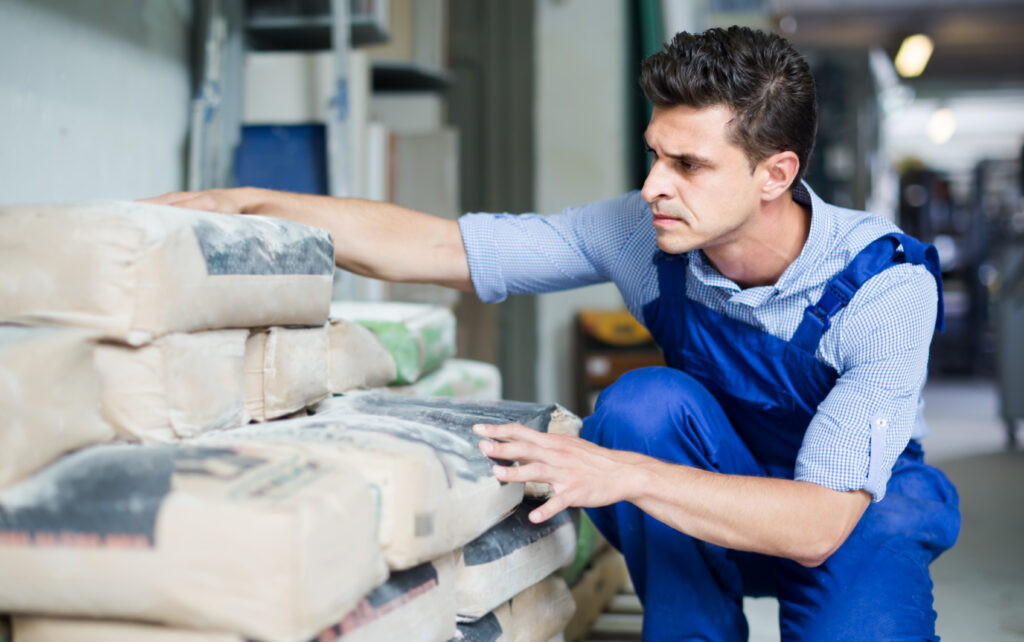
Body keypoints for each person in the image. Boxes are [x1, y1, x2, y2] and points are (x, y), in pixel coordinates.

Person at [147, 26, 960, 641]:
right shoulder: (642, 231)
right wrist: (255, 203)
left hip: (851, 518)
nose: (652, 188)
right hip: (715, 482)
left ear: (776, 173)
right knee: (642, 405)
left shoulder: (883, 289)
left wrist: (622, 475)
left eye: (689, 166)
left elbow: (818, 524)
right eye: (653, 156)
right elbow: (442, 247)